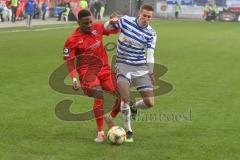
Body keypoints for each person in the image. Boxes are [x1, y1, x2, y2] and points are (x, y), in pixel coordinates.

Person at [63, 9, 121, 143]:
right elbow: (70, 61)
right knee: (99, 94)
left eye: (90, 22)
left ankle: (110, 118)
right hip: (87, 72)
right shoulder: (72, 40)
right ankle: (100, 132)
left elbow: (113, 28)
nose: (89, 25)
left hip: (104, 69)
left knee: (119, 98)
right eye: (86, 23)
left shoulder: (97, 28)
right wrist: (73, 78)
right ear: (78, 23)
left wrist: (115, 21)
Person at [104, 4, 157, 142]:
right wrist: (110, 22)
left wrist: (150, 70)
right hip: (122, 64)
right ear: (140, 13)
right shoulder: (126, 20)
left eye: (149, 17)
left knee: (150, 103)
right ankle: (128, 130)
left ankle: (134, 106)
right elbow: (106, 28)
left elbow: (150, 54)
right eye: (144, 15)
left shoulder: (151, 33)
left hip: (140, 66)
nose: (146, 18)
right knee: (125, 98)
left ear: (152, 17)